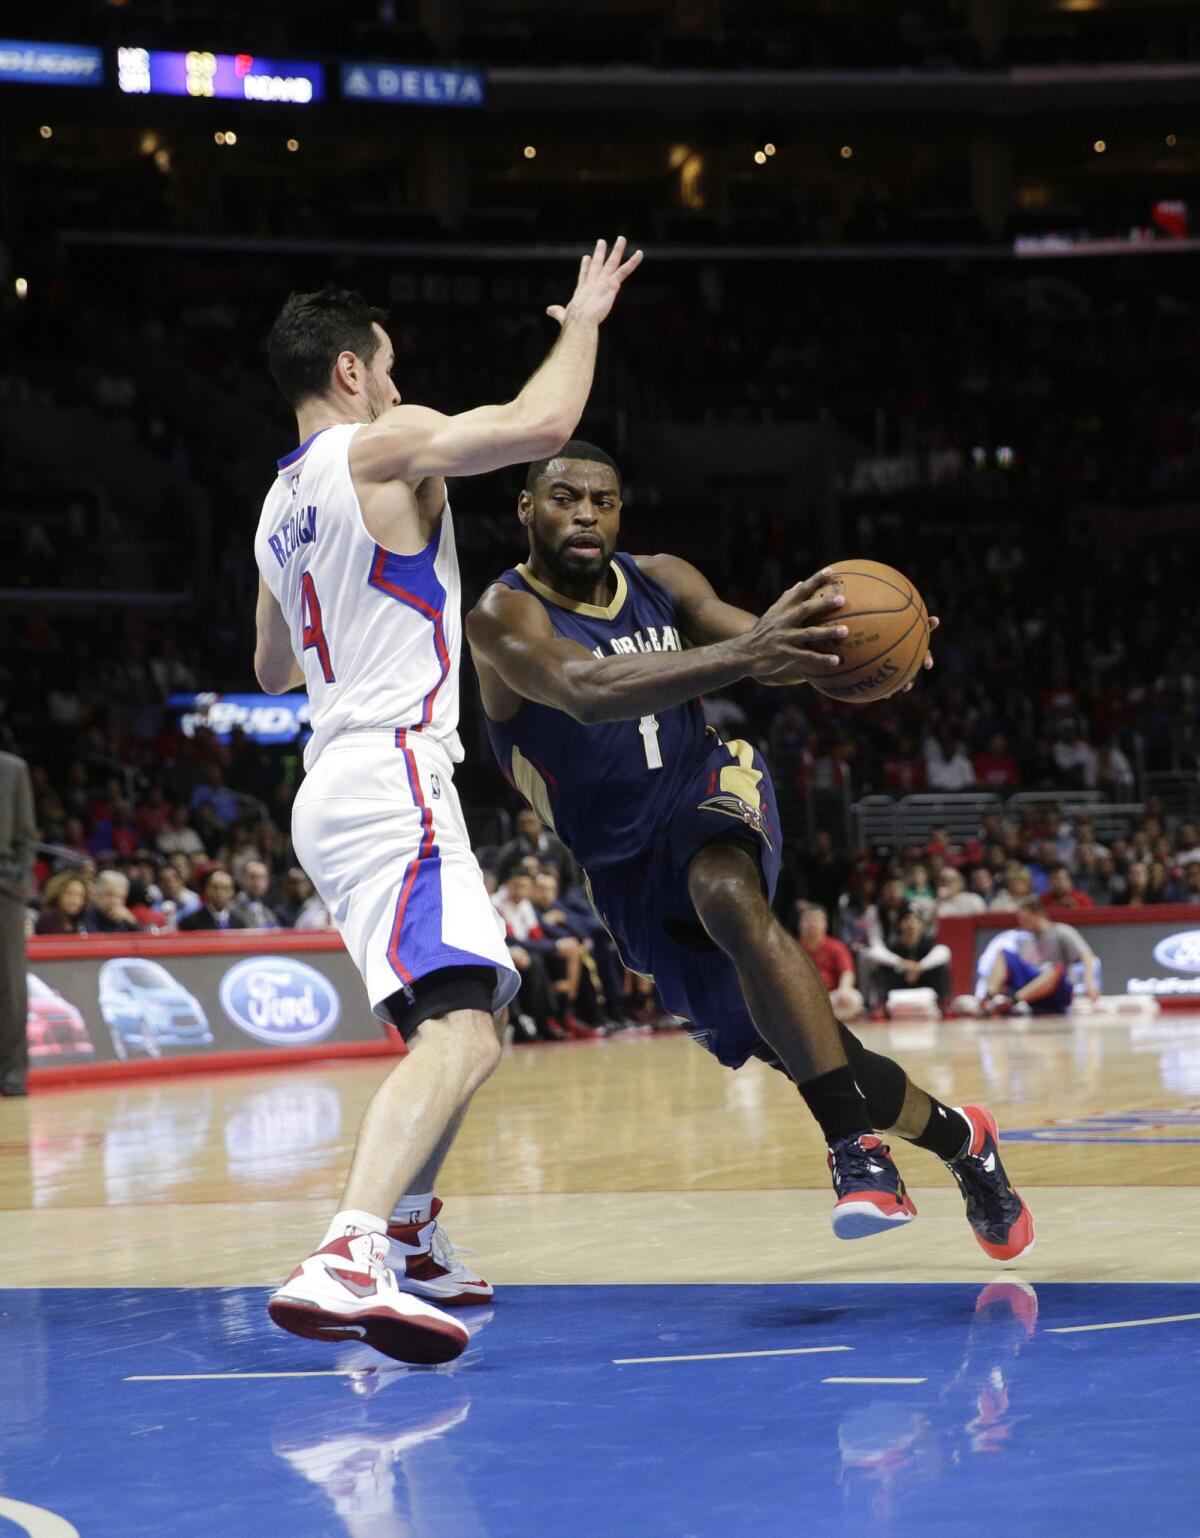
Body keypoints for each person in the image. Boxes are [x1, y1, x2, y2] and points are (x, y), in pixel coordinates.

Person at [469, 441, 1032, 1264]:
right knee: (822, 1057)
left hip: (710, 782)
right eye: (563, 498)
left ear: (621, 511)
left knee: (730, 892)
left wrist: (862, 653)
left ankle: (854, 1152)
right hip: (625, 874)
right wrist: (752, 655)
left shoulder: (661, 577)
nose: (585, 513)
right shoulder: (500, 617)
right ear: (527, 509)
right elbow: (586, 691)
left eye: (602, 499)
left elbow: (772, 644)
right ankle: (963, 1140)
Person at [256, 240, 642, 1365]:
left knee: (463, 1015)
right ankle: (350, 1247)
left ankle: (413, 1233)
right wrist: (585, 317)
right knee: (465, 1031)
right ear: (347, 374)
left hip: (328, 779)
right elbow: (538, 424)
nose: (393, 382)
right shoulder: (376, 443)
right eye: (384, 368)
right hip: (391, 771)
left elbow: (275, 664)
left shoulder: (277, 505)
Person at [983, 896, 1100, 1015]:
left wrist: (1089, 982)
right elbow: (1025, 970)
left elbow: (1087, 955)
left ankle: (1012, 1001)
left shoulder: (1061, 931)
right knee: (1004, 954)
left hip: (1057, 989)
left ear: (1037, 914)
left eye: (1024, 918)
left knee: (1055, 968)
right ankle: (987, 1000)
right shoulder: (1027, 940)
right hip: (1034, 987)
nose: (1021, 922)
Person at [0, 747, 36, 1097]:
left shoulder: (12, 769)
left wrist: (14, 881)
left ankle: (12, 1075)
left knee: (10, 986)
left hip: (3, 891)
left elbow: (27, 836)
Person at [865, 910, 953, 1010]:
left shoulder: (928, 944)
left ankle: (943, 1004)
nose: (911, 924)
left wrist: (920, 967)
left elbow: (944, 952)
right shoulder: (894, 945)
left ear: (921, 925)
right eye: (907, 920)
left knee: (940, 967)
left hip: (926, 986)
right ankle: (881, 1006)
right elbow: (874, 953)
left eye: (916, 921)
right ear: (901, 924)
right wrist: (904, 963)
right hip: (898, 987)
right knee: (882, 968)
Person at [796, 904, 863, 1021]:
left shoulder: (836, 946)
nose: (811, 924)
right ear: (800, 924)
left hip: (831, 998)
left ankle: (815, 1020)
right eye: (807, 920)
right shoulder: (792, 948)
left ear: (825, 924)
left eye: (816, 919)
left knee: (855, 999)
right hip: (803, 999)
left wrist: (844, 990)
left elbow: (847, 972)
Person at [178, 868, 247, 931]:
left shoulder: (239, 923)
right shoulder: (191, 922)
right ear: (206, 890)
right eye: (215, 887)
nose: (220, 893)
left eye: (225, 888)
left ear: (232, 892)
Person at [230, 857, 280, 929]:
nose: (257, 882)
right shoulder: (230, 910)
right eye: (252, 877)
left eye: (262, 877)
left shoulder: (270, 914)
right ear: (242, 878)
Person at [35, 871, 90, 936]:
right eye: (69, 894)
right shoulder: (48, 918)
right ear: (58, 894)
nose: (75, 901)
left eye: (80, 896)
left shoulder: (81, 919)